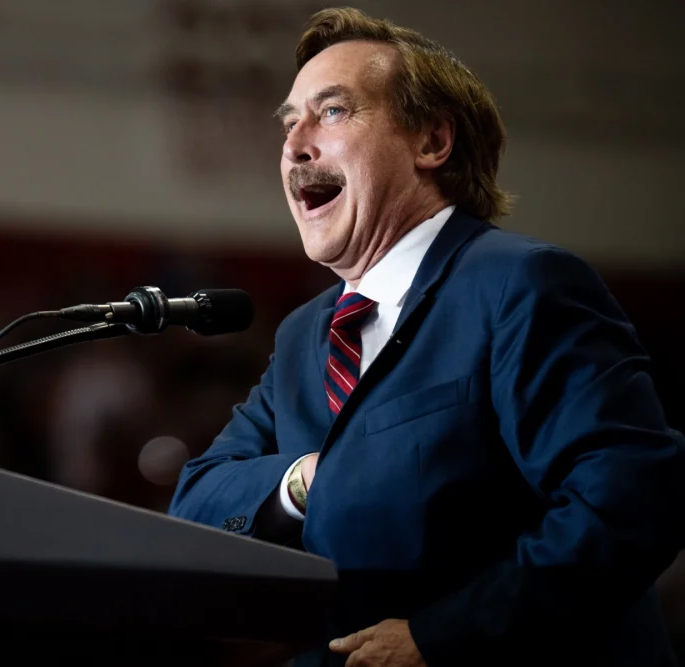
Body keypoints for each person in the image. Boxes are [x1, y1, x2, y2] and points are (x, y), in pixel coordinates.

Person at [167, 8, 685, 667]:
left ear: (432, 142)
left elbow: (634, 497)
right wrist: (306, 480)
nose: (295, 145)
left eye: (331, 112)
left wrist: (442, 636)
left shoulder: (520, 285)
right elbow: (198, 500)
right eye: (289, 121)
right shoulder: (307, 335)